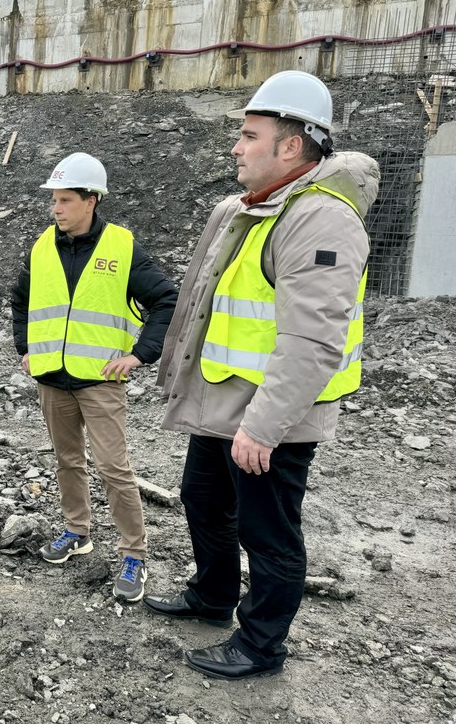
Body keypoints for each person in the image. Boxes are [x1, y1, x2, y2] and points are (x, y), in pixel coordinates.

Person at [144, 70, 377, 680]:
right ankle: (213, 595)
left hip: (273, 417)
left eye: (250, 136)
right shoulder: (251, 209)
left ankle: (261, 646)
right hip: (224, 399)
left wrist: (265, 427)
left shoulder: (322, 219)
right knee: (202, 499)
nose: (236, 147)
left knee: (268, 531)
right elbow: (203, 305)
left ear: (292, 145)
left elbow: (313, 339)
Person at [10, 152, 178, 602]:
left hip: (101, 380)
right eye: (54, 200)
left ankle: (134, 554)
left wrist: (139, 355)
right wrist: (25, 348)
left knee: (112, 468)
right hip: (52, 378)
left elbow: (166, 300)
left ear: (91, 200)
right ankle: (76, 531)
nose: (56, 209)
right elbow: (20, 301)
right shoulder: (42, 247)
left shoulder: (122, 247)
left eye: (65, 200)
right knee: (67, 461)